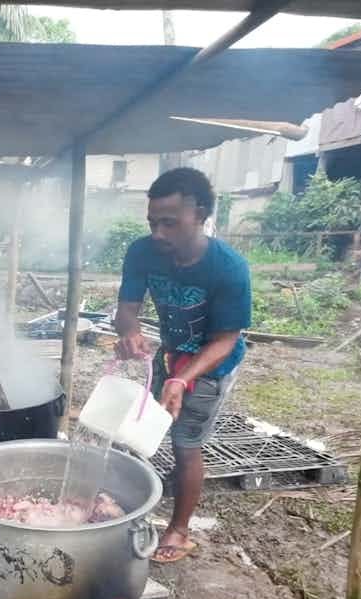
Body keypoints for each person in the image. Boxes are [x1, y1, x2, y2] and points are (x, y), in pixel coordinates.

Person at [113, 168, 252, 563]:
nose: (158, 233)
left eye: (169, 223)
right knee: (149, 430)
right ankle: (139, 505)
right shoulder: (143, 252)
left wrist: (182, 379)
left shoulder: (228, 267)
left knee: (186, 443)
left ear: (202, 215)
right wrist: (130, 332)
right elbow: (127, 309)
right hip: (171, 353)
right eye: (153, 222)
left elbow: (227, 339)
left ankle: (179, 529)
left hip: (211, 363)